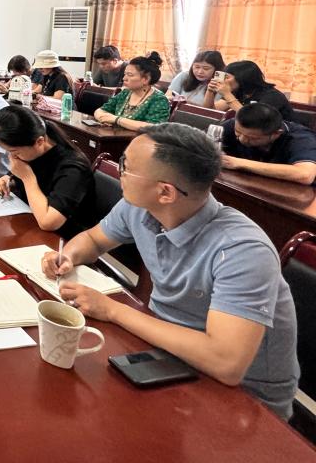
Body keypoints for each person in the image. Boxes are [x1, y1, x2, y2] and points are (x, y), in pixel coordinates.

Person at [41, 124, 299, 419]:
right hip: (165, 352)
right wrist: (68, 256)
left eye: (126, 167)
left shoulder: (243, 250)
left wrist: (112, 310)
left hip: (244, 401)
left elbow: (226, 363)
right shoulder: (139, 208)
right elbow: (93, 239)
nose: (120, 172)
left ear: (165, 192)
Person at [0, 105, 98, 235]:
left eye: (14, 152)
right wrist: (8, 181)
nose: (12, 157)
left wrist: (27, 178)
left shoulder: (73, 167)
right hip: (30, 224)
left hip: (64, 238)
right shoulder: (32, 152)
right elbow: (22, 180)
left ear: (40, 141)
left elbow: (48, 222)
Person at [221, 103, 316, 185]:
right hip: (247, 185)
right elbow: (211, 141)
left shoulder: (302, 139)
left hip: (293, 193)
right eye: (237, 133)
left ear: (276, 134)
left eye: (252, 138)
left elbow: (305, 175)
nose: (242, 140)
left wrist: (238, 163)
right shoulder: (237, 125)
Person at [94, 52, 170, 131]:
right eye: (125, 74)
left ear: (146, 79)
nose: (124, 78)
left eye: (130, 75)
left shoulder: (158, 99)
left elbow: (153, 127)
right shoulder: (125, 93)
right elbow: (100, 110)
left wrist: (117, 120)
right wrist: (104, 118)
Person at [211, 60, 294, 121]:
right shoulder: (240, 91)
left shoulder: (272, 96)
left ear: (242, 78)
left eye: (227, 77)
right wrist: (210, 91)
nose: (224, 81)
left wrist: (227, 94)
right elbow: (212, 111)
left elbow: (253, 120)